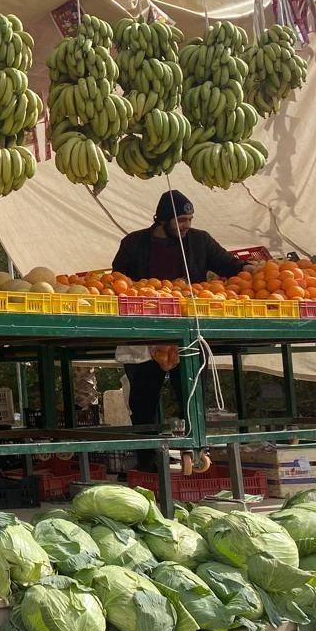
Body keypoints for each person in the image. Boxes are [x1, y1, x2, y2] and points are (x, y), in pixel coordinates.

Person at [111, 190, 247, 469]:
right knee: (143, 398)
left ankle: (195, 451)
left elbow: (229, 266)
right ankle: (148, 461)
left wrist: (249, 268)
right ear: (162, 219)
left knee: (191, 392)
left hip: (187, 332)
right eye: (181, 220)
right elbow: (117, 281)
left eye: (189, 219)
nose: (187, 225)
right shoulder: (134, 243)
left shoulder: (200, 241)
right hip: (147, 334)